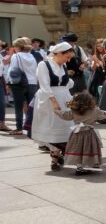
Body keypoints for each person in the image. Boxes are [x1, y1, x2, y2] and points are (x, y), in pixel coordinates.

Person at [31, 43, 76, 171]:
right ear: (59, 53)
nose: (68, 60)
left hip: (65, 98)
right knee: (52, 128)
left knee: (66, 127)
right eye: (67, 57)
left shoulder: (63, 66)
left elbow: (67, 83)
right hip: (49, 100)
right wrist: (54, 101)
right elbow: (44, 85)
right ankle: (54, 159)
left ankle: (58, 155)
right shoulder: (43, 65)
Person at [54, 92, 106, 175]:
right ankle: (87, 165)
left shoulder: (73, 111)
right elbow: (105, 115)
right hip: (89, 134)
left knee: (78, 150)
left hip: (77, 134)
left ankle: (79, 167)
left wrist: (56, 111)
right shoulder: (95, 110)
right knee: (88, 149)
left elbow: (65, 115)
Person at [5, 38, 39, 136]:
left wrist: (8, 83)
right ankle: (30, 128)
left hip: (19, 83)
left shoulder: (16, 56)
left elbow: (12, 70)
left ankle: (19, 128)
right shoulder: (32, 56)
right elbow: (35, 70)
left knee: (18, 107)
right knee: (31, 107)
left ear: (17, 47)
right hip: (32, 83)